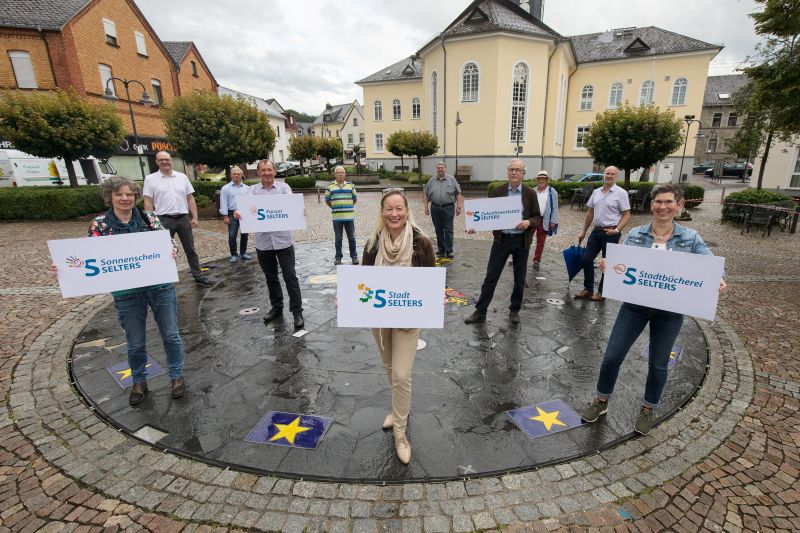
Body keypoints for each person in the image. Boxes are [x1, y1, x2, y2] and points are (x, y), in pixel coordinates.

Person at [579, 183, 726, 435]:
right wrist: (609, 264)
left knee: (658, 364)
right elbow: (622, 265)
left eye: (669, 202)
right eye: (658, 202)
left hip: (669, 312)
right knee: (612, 355)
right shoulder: (636, 234)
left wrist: (720, 278)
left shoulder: (690, 238)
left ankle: (648, 408)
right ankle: (601, 401)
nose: (663, 206)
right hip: (634, 307)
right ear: (651, 205)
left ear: (679, 205)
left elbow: (713, 264)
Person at [87, 177, 187, 405]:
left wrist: (171, 250)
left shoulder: (149, 218)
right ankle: (139, 380)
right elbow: (89, 257)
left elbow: (169, 244)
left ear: (135, 197)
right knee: (135, 341)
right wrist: (67, 269)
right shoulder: (100, 225)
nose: (124, 198)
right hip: (127, 293)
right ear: (110, 197)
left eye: (129, 194)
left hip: (160, 287)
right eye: (119, 194)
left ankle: (176, 376)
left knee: (171, 335)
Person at [362, 188, 435, 464]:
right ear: (382, 212)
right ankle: (398, 409)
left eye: (399, 209)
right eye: (388, 209)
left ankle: (401, 434)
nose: (394, 214)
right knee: (391, 368)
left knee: (402, 374)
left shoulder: (421, 243)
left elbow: (430, 280)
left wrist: (436, 294)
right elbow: (363, 282)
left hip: (408, 320)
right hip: (379, 319)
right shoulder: (372, 245)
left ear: (407, 211)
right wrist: (347, 297)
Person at [464, 159, 541, 325]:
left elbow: (537, 217)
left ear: (523, 174)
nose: (514, 172)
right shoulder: (498, 191)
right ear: (507, 172)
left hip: (521, 241)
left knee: (519, 279)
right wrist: (474, 225)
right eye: (511, 169)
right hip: (502, 240)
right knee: (491, 277)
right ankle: (480, 311)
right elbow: (488, 214)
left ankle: (514, 310)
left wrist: (528, 222)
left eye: (517, 170)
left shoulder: (529, 193)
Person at [235, 160, 304, 329]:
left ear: (274, 172)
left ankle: (297, 311)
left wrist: (298, 209)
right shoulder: (252, 191)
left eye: (269, 170)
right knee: (271, 277)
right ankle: (277, 307)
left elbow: (291, 205)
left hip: (283, 240)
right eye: (263, 170)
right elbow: (245, 209)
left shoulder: (283, 188)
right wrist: (239, 213)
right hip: (263, 243)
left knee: (290, 276)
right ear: (258, 172)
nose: (267, 173)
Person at [143, 151, 212, 286]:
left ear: (171, 161)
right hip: (163, 219)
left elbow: (190, 198)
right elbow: (148, 201)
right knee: (165, 251)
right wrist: (151, 222)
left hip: (182, 218)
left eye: (167, 159)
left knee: (191, 250)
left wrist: (195, 217)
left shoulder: (182, 177)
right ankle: (166, 280)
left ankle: (198, 276)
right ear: (156, 162)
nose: (165, 162)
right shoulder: (150, 179)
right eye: (161, 160)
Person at [575, 166, 630, 301]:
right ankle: (588, 289)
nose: (609, 176)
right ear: (603, 175)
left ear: (616, 176)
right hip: (596, 231)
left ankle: (601, 292)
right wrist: (583, 231)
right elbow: (590, 213)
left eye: (612, 174)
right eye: (607, 173)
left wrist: (617, 230)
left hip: (611, 232)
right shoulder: (596, 192)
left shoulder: (621, 193)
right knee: (586, 259)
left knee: (607, 264)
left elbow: (627, 215)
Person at [423, 162, 462, 259]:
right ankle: (441, 249)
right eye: (438, 168)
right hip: (435, 208)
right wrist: (426, 207)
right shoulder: (431, 180)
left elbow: (458, 193)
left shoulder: (452, 179)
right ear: (436, 169)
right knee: (438, 229)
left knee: (448, 229)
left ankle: (449, 251)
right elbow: (426, 194)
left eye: (442, 168)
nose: (440, 169)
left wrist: (459, 206)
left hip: (448, 207)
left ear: (445, 169)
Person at [325, 165, 359, 265]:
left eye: (342, 172)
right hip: (337, 218)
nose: (340, 174)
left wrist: (347, 207)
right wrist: (335, 208)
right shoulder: (330, 186)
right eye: (338, 172)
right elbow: (327, 200)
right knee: (338, 239)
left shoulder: (351, 185)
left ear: (345, 174)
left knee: (352, 238)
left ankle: (354, 257)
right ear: (335, 174)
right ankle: (338, 258)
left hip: (349, 217)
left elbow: (355, 199)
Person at [219, 166, 251, 263]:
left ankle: (243, 252)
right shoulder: (225, 188)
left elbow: (250, 202)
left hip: (244, 213)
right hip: (231, 213)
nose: (236, 175)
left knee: (245, 234)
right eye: (234, 174)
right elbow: (223, 202)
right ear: (231, 175)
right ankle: (233, 254)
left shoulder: (247, 188)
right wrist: (225, 216)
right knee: (232, 235)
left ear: (241, 175)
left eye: (238, 174)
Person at [532, 170, 559, 271]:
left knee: (541, 241)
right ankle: (520, 257)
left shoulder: (552, 192)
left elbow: (555, 208)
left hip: (545, 219)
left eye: (543, 179)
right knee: (525, 239)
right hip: (532, 219)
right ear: (537, 180)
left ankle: (536, 260)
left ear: (547, 180)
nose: (541, 180)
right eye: (539, 179)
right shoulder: (532, 190)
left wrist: (553, 221)